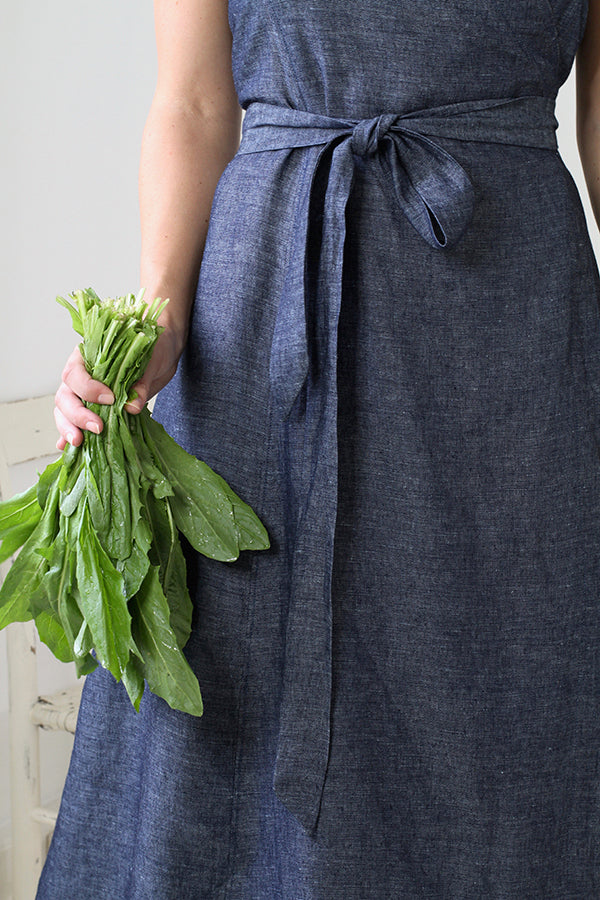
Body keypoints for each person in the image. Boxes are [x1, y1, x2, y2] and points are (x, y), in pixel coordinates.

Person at [39, 0, 600, 896]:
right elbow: (191, 102)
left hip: (510, 328)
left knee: (511, 702)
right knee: (239, 720)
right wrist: (160, 312)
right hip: (267, 314)